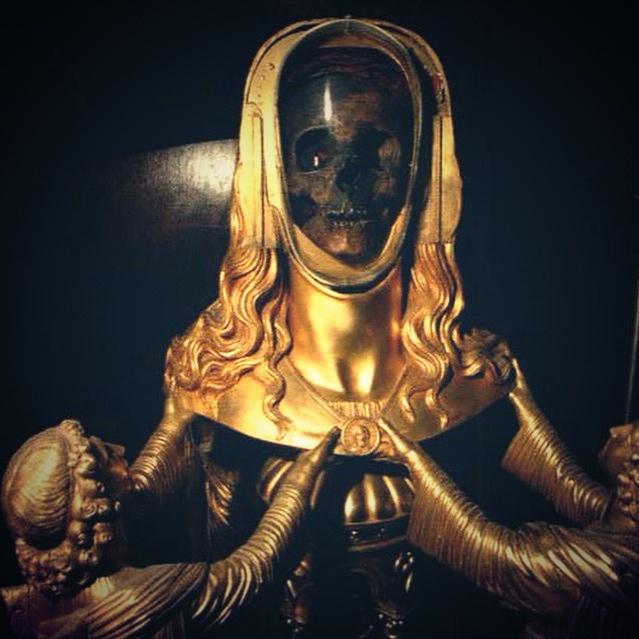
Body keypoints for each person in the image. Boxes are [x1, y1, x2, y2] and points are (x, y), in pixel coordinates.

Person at [1, 420, 338, 638]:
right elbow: (253, 570)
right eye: (108, 456)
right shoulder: (144, 601)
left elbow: (139, 492)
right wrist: (299, 483)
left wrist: (175, 421)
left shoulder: (30, 602)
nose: (120, 449)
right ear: (98, 506)